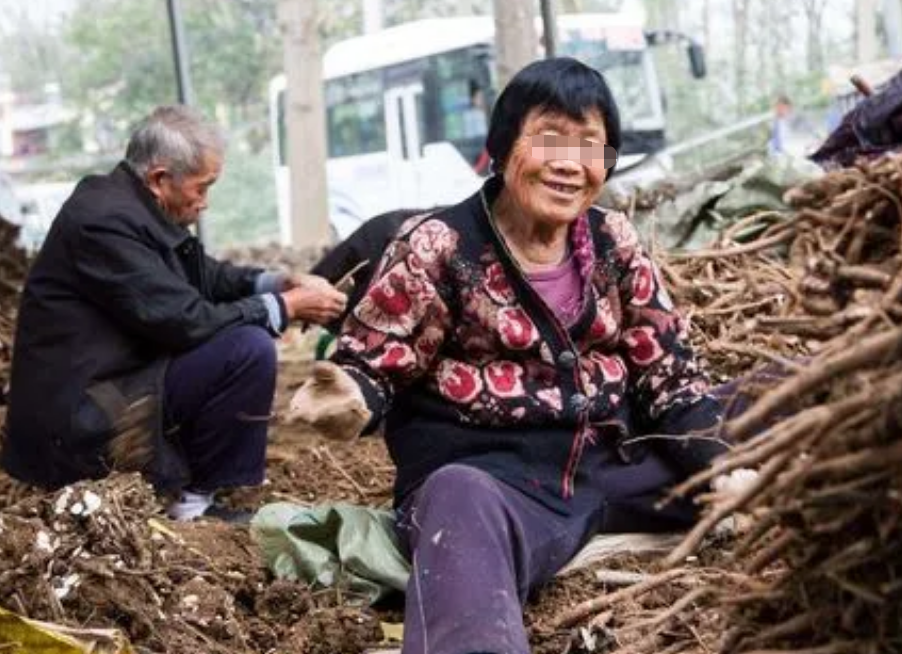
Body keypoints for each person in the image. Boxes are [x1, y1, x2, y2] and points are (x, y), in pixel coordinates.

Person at [289, 58, 746, 654]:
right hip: (499, 487)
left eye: (591, 146)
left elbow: (670, 375)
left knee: (782, 396)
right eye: (549, 139)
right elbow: (378, 356)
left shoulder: (614, 240)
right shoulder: (438, 245)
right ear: (502, 150)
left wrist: (723, 464)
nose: (569, 163)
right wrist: (349, 392)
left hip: (613, 466)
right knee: (457, 496)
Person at [0, 105, 347, 522]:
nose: (205, 203)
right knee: (247, 349)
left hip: (114, 378)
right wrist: (284, 308)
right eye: (202, 188)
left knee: (244, 336)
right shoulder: (103, 222)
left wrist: (275, 283)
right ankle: (193, 506)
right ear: (160, 179)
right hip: (81, 413)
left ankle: (192, 485)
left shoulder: (132, 207)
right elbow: (186, 321)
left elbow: (205, 275)